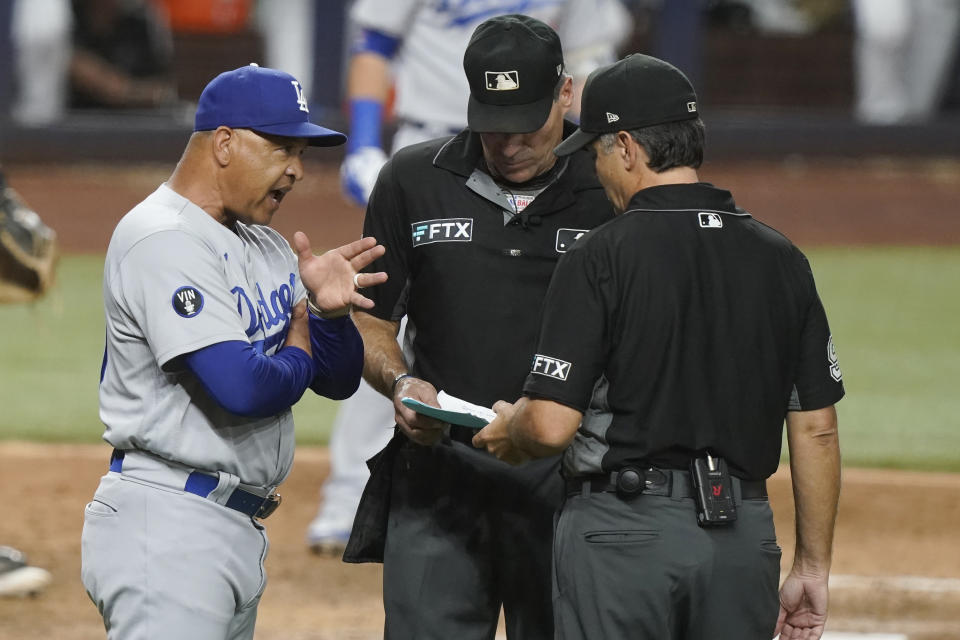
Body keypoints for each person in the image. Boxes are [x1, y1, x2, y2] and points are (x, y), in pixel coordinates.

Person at [473, 53, 844, 640]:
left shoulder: (599, 256)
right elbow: (817, 427)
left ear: (625, 147)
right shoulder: (782, 258)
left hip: (623, 539)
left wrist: (510, 430)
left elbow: (548, 427)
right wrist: (812, 566)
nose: (596, 170)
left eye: (596, 152)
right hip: (744, 541)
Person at [307, 0, 631, 556]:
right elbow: (375, 46)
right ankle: (345, 493)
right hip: (435, 138)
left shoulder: (593, 179)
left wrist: (592, 146)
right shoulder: (412, 176)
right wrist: (363, 139)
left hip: (552, 143)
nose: (510, 142)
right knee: (396, 320)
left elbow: (592, 54)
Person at [80, 63, 387, 639]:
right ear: (223, 143)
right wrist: (299, 344)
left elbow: (339, 381)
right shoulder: (162, 236)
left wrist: (328, 314)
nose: (297, 170)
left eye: (302, 152)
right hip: (167, 527)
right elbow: (243, 386)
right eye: (281, 148)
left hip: (228, 529)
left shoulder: (266, 243)